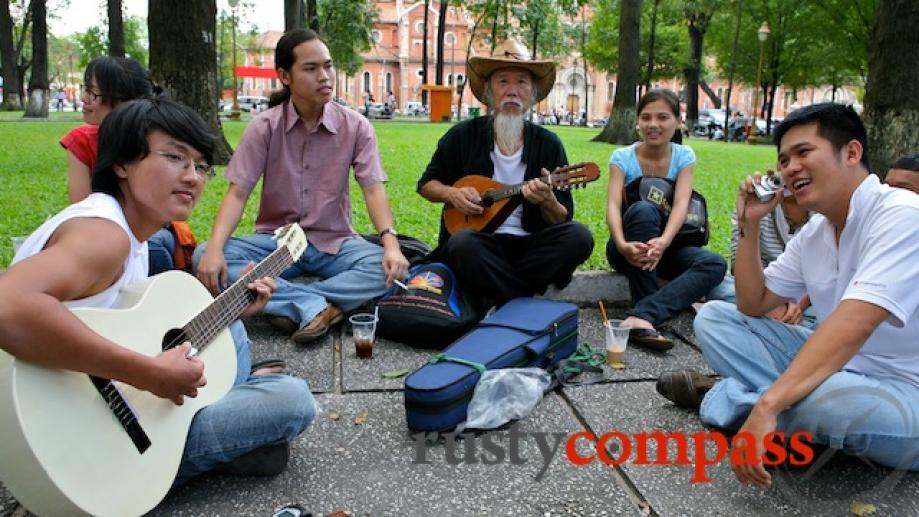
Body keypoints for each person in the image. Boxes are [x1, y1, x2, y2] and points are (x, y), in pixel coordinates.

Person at [0, 97, 316, 486]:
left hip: (91, 393)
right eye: (175, 158)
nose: (193, 177)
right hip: (78, 440)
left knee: (230, 331)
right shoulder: (105, 234)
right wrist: (149, 374)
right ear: (121, 163)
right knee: (293, 400)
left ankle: (222, 424)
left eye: (201, 166)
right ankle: (165, 464)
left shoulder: (133, 236)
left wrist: (237, 304)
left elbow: (122, 324)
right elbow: (7, 305)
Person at [657, 103, 919, 487]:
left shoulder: (903, 214)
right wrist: (749, 223)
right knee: (715, 318)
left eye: (803, 153)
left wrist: (769, 404)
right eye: (783, 159)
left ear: (851, 152)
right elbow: (752, 303)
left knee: (834, 399)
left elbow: (858, 320)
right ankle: (796, 422)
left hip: (906, 391)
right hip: (840, 369)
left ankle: (732, 400)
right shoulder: (817, 233)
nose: (790, 167)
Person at [194, 29, 408, 345]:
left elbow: (373, 189)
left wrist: (391, 243)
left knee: (387, 268)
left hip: (333, 242)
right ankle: (321, 305)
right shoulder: (264, 127)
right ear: (285, 76)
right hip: (277, 244)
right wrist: (213, 248)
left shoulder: (356, 127)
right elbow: (238, 193)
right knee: (204, 257)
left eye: (327, 66)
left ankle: (294, 301)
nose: (325, 76)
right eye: (310, 68)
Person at [417, 39, 593, 310]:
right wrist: (452, 193)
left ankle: (499, 296)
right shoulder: (462, 136)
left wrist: (547, 200)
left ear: (533, 93)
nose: (512, 90)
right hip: (482, 246)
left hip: (529, 248)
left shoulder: (548, 144)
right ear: (488, 91)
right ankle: (523, 304)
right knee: (462, 243)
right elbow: (426, 185)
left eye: (522, 82)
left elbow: (561, 218)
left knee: (579, 237)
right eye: (503, 81)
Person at [605, 89, 726, 351]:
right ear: (638, 122)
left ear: (677, 121)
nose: (653, 125)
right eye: (646, 118)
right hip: (627, 247)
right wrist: (623, 244)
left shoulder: (684, 156)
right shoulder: (622, 157)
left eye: (662, 117)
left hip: (667, 247)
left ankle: (643, 315)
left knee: (714, 263)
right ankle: (647, 315)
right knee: (643, 211)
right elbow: (613, 206)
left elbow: (682, 203)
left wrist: (664, 241)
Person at [60, 56, 179, 275]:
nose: (85, 99)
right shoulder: (81, 141)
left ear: (124, 103)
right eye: (85, 90)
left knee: (152, 248)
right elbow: (82, 209)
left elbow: (161, 211)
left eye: (94, 94)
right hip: (101, 230)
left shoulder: (152, 143)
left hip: (151, 232)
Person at [706, 179, 818, 330]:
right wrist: (770, 303)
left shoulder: (822, 207)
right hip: (759, 289)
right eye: (785, 160)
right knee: (717, 284)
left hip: (806, 298)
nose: (793, 168)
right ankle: (789, 329)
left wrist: (799, 305)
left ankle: (771, 326)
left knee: (832, 311)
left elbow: (827, 275)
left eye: (802, 155)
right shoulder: (757, 199)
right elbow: (738, 266)